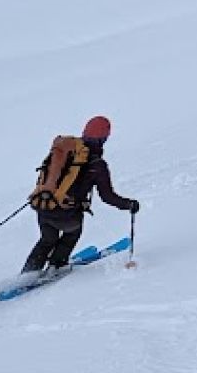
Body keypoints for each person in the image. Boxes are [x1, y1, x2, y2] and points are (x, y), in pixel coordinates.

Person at [21, 116, 140, 275]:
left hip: (44, 204)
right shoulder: (97, 165)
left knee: (47, 240)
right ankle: (57, 266)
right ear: (104, 139)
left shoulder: (65, 151)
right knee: (72, 233)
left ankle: (27, 274)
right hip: (67, 213)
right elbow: (107, 196)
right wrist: (129, 204)